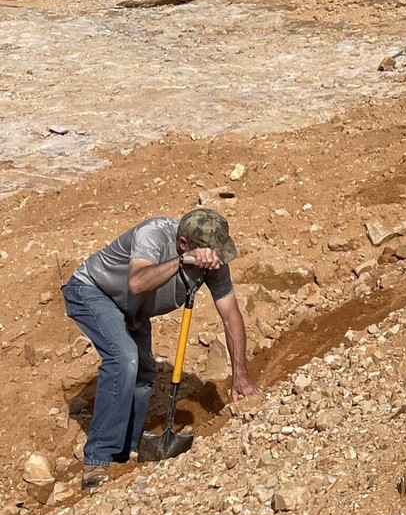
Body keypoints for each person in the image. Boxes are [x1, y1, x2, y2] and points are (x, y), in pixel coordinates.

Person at [61, 208, 260, 489]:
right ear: (182, 244)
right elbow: (136, 282)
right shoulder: (152, 234)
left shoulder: (212, 259)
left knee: (144, 373)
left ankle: (125, 450)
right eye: (207, 254)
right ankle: (98, 458)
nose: (215, 261)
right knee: (124, 359)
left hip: (135, 307)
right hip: (93, 291)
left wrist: (240, 374)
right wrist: (183, 261)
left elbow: (231, 315)